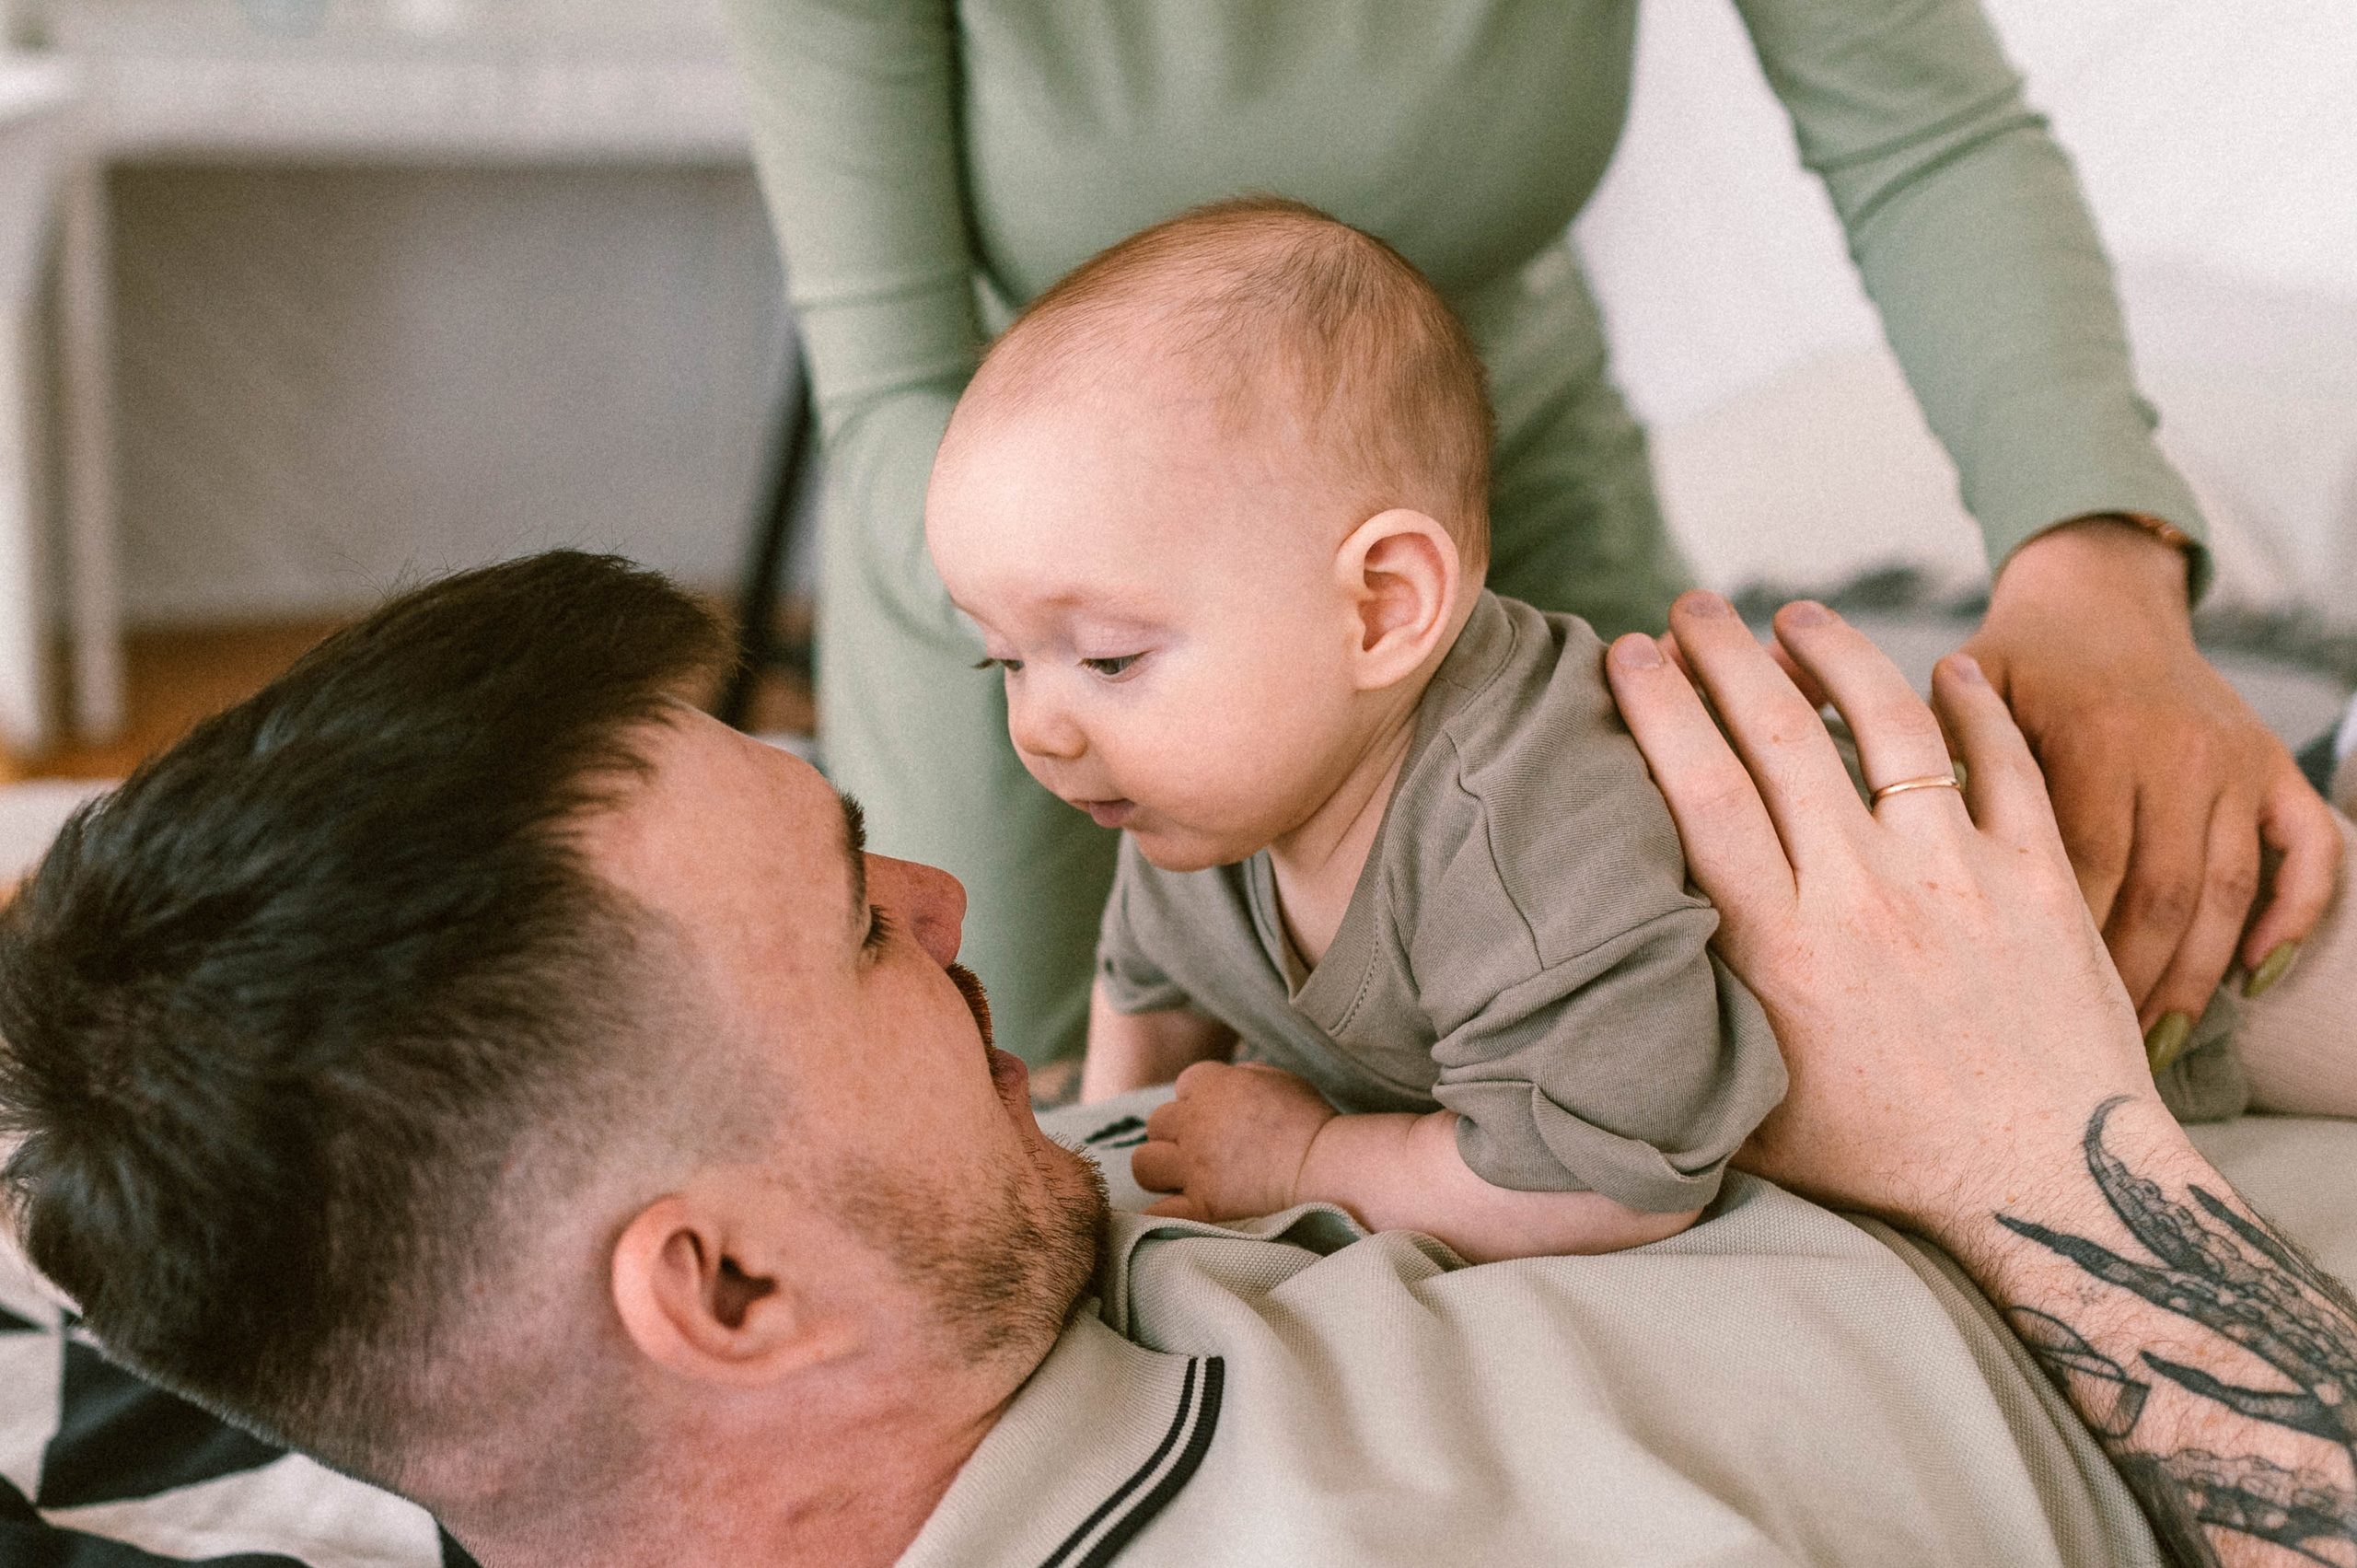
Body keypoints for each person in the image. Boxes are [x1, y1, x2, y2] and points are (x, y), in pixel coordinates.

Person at [2, 552, 2351, 1566]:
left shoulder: (935, 1248)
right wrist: (2032, 1152)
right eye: (853, 923)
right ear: (722, 1296)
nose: (944, 902)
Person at [721, 0, 2343, 1081]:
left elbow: (1925, 133)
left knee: (1757, 997)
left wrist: (2097, 560)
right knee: (991, 1091)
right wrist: (1113, 670)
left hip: (1497, 447)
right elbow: (897, 388)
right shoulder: (1062, 661)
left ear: (1398, 595)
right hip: (1042, 556)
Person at [925, 198, 1783, 1262]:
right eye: (1003, 659)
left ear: (1380, 605)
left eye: (1107, 657)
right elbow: (1144, 995)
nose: (1041, 729)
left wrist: (1307, 1162)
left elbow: (1610, 1181)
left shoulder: (1517, 830)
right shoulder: (1202, 804)